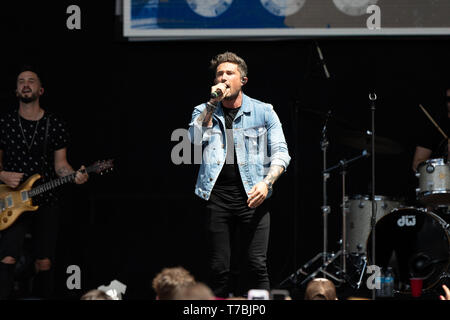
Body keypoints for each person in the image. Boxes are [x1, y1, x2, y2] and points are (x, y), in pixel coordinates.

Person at [188, 52, 291, 298]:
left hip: (253, 196)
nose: (223, 78)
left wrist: (266, 184)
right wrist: (212, 104)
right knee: (219, 268)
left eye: (229, 73)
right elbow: (193, 139)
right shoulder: (203, 109)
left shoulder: (264, 111)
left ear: (242, 80)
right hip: (217, 197)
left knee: (256, 264)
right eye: (219, 74)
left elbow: (282, 153)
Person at [0, 66, 89, 299]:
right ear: (16, 89)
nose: (25, 84)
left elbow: (61, 165)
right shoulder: (5, 123)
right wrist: (2, 175)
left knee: (44, 261)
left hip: (46, 198)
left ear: (41, 90)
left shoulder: (55, 124)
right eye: (21, 81)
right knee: (8, 256)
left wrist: (75, 175)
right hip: (11, 199)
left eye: (31, 80)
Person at [412, 88, 450, 172]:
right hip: (442, 180)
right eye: (448, 99)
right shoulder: (435, 126)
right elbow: (416, 165)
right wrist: (442, 162)